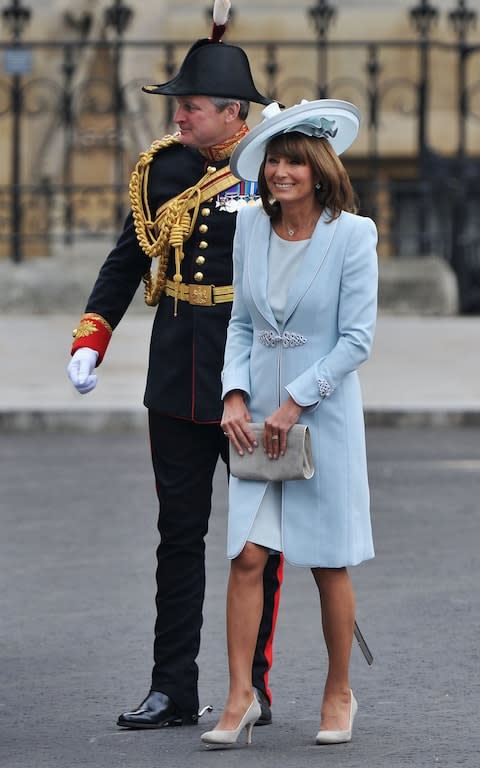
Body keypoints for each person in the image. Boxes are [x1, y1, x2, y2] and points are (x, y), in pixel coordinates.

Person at [66, 1, 283, 730]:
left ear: (232, 112)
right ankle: (171, 688)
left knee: (259, 540)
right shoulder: (162, 171)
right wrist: (92, 337)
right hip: (175, 372)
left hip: (249, 375)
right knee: (178, 536)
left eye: (190, 107)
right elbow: (129, 259)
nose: (179, 117)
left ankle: (253, 685)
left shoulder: (274, 169)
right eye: (179, 107)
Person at [199, 98, 378, 748]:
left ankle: (339, 691)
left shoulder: (353, 236)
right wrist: (235, 396)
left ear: (318, 168)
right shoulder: (249, 228)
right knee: (246, 557)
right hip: (255, 425)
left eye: (294, 162)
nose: (280, 172)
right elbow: (241, 323)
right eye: (274, 159)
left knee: (328, 563)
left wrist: (296, 399)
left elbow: (357, 340)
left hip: (320, 420)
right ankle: (240, 695)